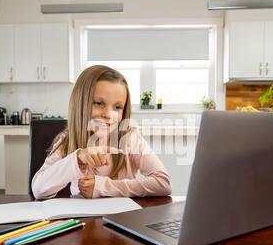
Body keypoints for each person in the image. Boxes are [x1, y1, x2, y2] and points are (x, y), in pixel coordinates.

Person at [32, 65, 172, 199]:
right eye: (99, 103)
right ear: (81, 104)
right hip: (83, 219)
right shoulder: (67, 140)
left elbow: (163, 183)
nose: (108, 114)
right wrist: (77, 159)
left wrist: (104, 187)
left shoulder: (131, 139)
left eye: (117, 107)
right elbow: (39, 190)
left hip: (123, 218)